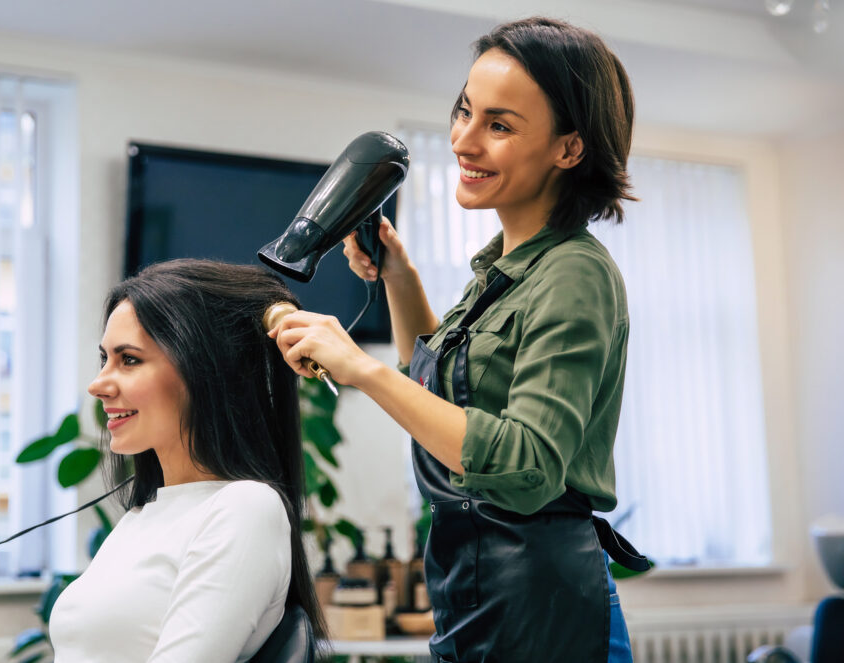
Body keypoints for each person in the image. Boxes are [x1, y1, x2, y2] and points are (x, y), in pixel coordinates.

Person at [268, 16, 647, 663]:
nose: (463, 141)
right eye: (464, 112)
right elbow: (436, 385)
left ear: (569, 148)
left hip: (543, 599)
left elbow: (527, 466)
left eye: (498, 125)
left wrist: (359, 367)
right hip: (473, 580)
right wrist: (398, 273)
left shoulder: (575, 272)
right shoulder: (500, 270)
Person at [49, 259, 325, 663]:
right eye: (104, 358)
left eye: (128, 359)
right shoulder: (142, 517)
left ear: (204, 371)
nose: (98, 384)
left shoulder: (244, 509)